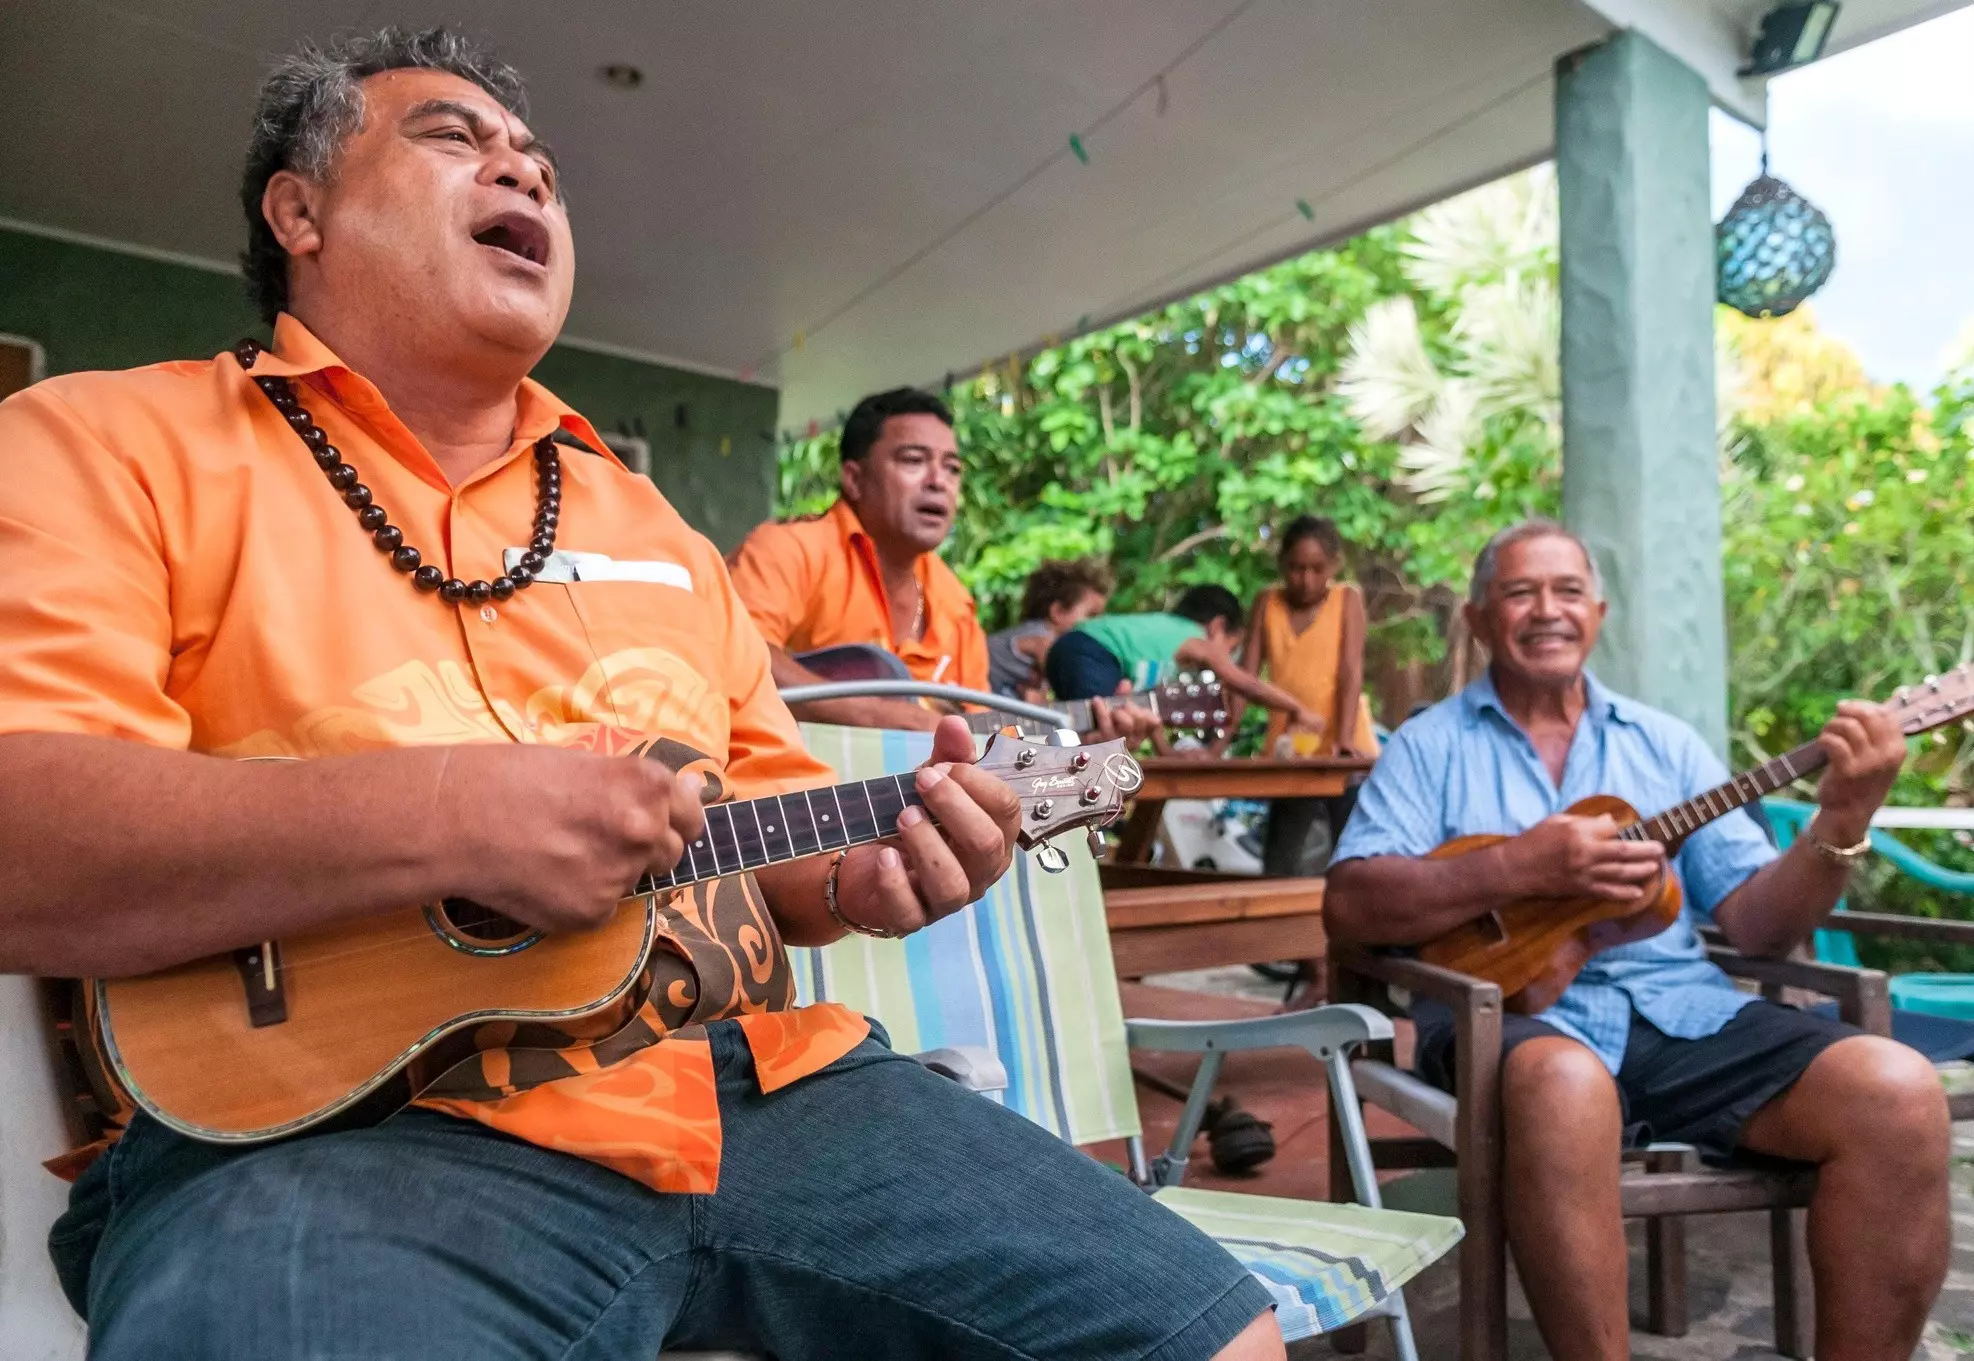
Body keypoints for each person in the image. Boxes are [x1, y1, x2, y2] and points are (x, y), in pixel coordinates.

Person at [0, 30, 1281, 1361]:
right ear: (300, 208)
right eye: (455, 137)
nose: (523, 169)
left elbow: (789, 842)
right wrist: (445, 817)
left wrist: (874, 870)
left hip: (768, 1093)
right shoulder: (107, 446)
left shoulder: (661, 533)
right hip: (328, 1143)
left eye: (540, 163)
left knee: (1217, 1335)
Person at [1323, 519, 1948, 1361]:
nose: (1547, 610)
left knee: (1898, 1087)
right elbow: (1351, 904)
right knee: (1565, 1079)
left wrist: (1844, 817)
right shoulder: (1430, 744)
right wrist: (1517, 866)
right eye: (1520, 591)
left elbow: (1760, 924)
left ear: (1599, 613)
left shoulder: (1667, 744)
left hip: (1679, 1012)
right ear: (1477, 619)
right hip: (1496, 1019)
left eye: (1568, 590)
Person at [726, 389, 982, 731]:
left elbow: (982, 724)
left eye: (952, 468)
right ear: (855, 479)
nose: (939, 482)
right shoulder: (788, 549)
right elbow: (735, 653)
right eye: (913, 460)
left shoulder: (957, 600)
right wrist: (886, 717)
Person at [1239, 515, 1379, 878]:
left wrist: (1344, 739)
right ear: (1282, 563)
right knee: (1280, 858)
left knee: (1353, 853)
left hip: (1344, 744)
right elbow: (1243, 678)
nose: (1306, 579)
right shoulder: (1266, 602)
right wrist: (1220, 740)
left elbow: (1350, 672)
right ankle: (1279, 931)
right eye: (1297, 568)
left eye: (1317, 569)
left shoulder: (1347, 600)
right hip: (1292, 747)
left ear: (1334, 565)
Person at [1043, 584, 1323, 740]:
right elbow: (1245, 684)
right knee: (1098, 742)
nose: (1227, 657)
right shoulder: (1196, 638)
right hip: (1091, 652)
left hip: (1068, 650)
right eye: (1231, 648)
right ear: (1218, 626)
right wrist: (1296, 708)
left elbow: (1150, 715)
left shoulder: (1166, 641)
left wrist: (1167, 754)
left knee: (1092, 727)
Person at [985, 557, 1112, 699]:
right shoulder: (1042, 639)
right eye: (1091, 615)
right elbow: (1076, 679)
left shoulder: (1033, 632)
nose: (1097, 624)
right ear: (1058, 611)